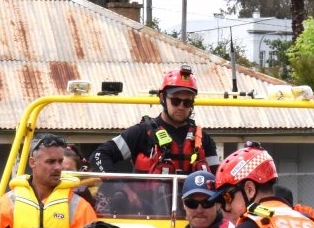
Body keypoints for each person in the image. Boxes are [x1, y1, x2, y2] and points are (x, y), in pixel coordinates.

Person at [89, 64, 220, 177]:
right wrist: (116, 187)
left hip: (191, 206)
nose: (181, 106)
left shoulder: (203, 140)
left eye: (187, 102)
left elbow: (216, 178)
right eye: (175, 101)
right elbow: (99, 156)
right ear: (162, 97)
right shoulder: (141, 133)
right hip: (147, 206)